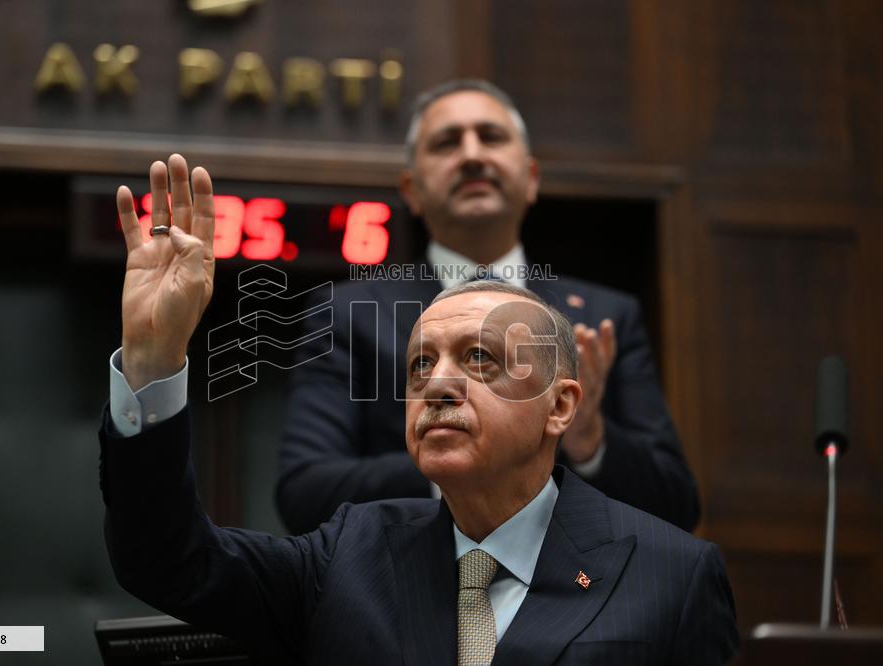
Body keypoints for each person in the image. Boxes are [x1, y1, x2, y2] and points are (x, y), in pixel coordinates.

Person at [100, 156, 738, 664]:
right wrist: (153, 361)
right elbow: (166, 559)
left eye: (480, 359)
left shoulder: (672, 574)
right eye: (419, 366)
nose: (438, 385)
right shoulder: (349, 554)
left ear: (560, 406)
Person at [277, 79, 701, 535]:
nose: (472, 155)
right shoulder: (349, 312)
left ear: (532, 178)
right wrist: (453, 457)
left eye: (491, 137)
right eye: (447, 142)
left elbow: (676, 505)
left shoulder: (604, 317)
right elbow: (305, 492)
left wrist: (590, 440)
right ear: (412, 191)